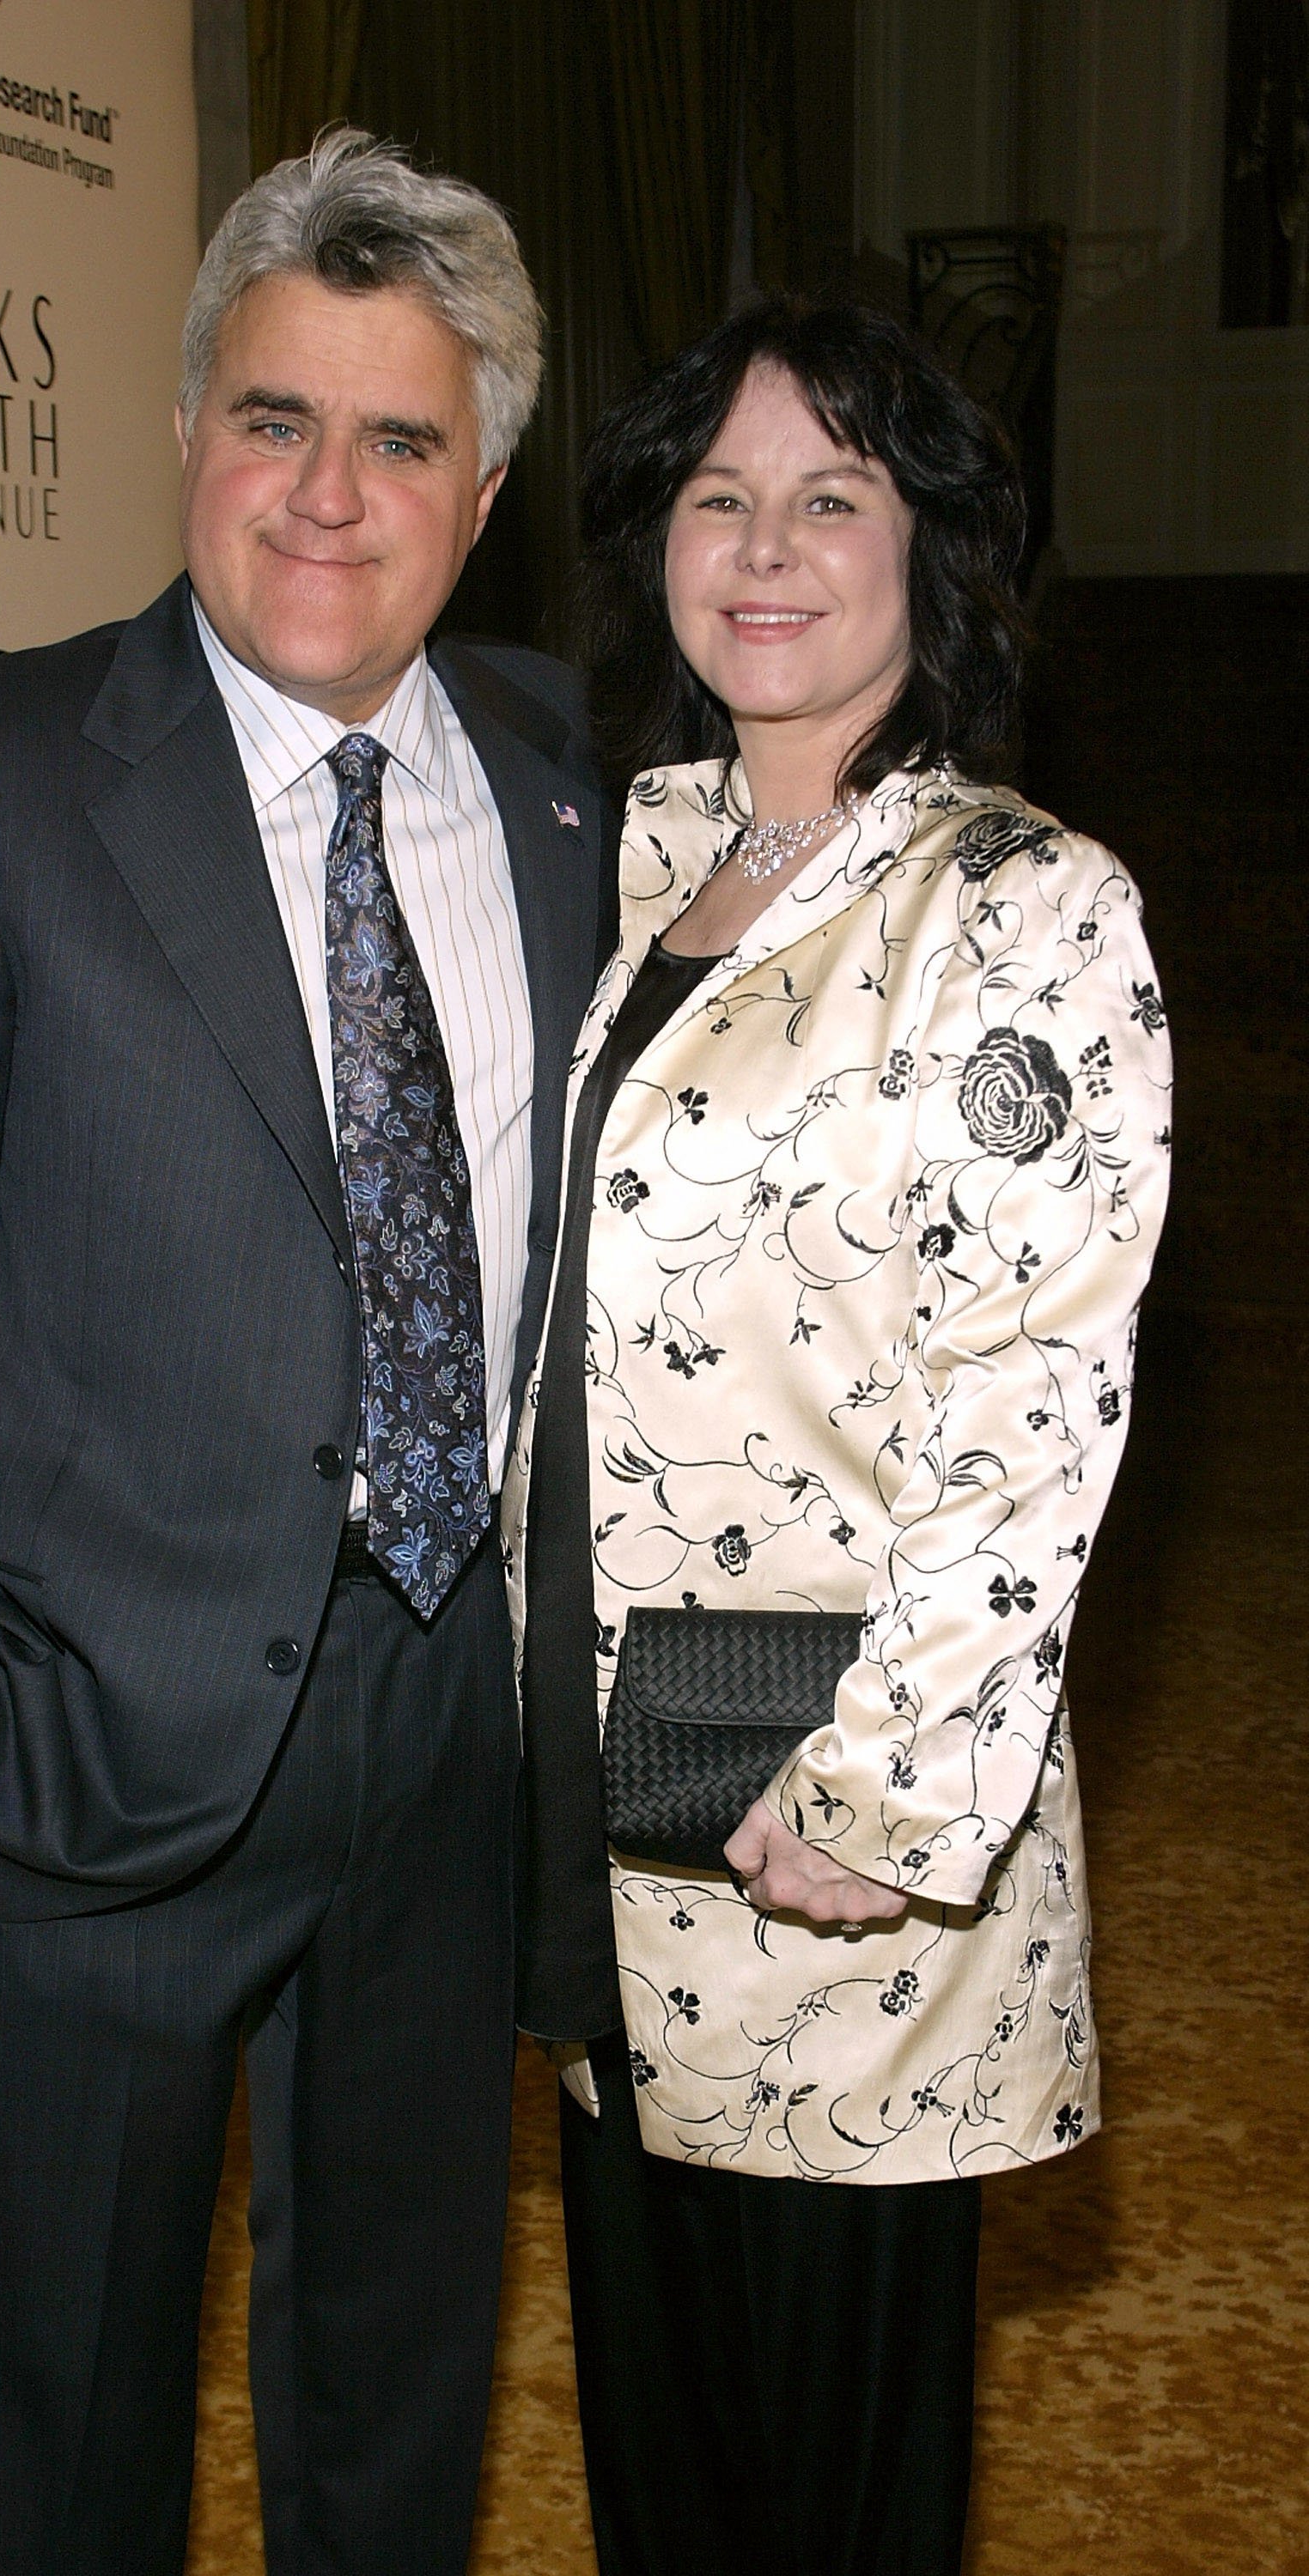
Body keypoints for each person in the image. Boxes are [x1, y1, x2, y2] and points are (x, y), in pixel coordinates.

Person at [0, 130, 614, 2576]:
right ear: (186, 434)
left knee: (395, 2394)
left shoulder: (566, 788)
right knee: (51, 2441)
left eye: (401, 439)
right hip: (85, 1755)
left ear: (480, 490)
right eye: (276, 419)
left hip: (451, 1743)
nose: (328, 496)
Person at [502, 295, 1172, 2575]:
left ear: (933, 555)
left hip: (821, 1841)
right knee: (667, 2461)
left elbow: (1039, 1399)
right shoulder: (660, 878)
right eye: (716, 499)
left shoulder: (1021, 909)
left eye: (831, 498)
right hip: (620, 1815)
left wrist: (892, 1796)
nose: (763, 550)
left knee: (825, 2479)